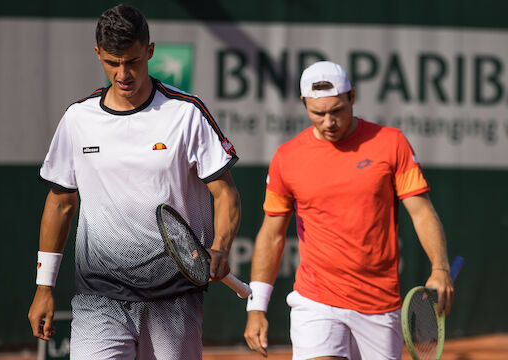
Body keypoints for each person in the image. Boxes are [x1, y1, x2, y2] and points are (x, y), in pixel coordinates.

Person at [27, 4, 241, 360]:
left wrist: (220, 246)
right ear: (98, 54)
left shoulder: (186, 113)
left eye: (133, 61)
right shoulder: (78, 119)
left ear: (150, 52)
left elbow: (226, 193)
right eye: (113, 62)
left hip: (173, 298)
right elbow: (61, 202)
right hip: (99, 297)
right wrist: (43, 286)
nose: (123, 73)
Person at [243, 61, 454, 360]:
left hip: (380, 303)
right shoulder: (286, 158)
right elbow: (272, 235)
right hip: (316, 299)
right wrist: (256, 307)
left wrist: (440, 268)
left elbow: (421, 212)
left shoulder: (391, 143)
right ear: (304, 104)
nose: (329, 121)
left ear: (352, 97)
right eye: (318, 113)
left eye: (337, 110)